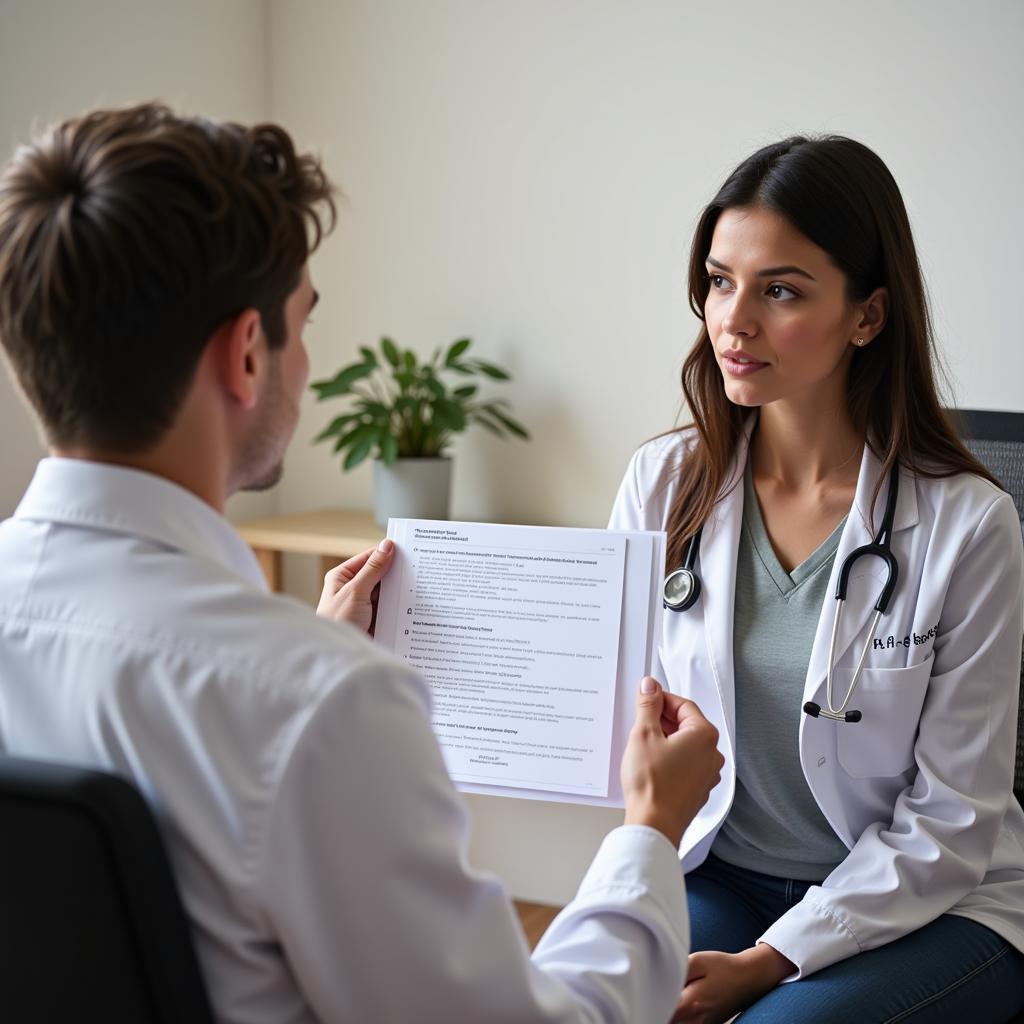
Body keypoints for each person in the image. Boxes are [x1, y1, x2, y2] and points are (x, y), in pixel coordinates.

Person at [0, 102, 724, 1024]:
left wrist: (306, 660)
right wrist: (652, 831)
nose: (306, 366)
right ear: (245, 356)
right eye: (301, 325)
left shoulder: (301, 689)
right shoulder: (319, 703)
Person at [609, 134, 1024, 1022]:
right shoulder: (662, 483)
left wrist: (772, 962)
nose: (734, 320)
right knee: (596, 998)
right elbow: (608, 709)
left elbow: (951, 821)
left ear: (867, 315)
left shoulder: (968, 526)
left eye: (780, 290)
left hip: (928, 904)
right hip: (721, 872)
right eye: (720, 281)